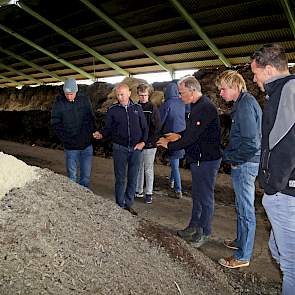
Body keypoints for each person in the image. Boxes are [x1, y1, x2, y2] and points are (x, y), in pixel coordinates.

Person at [251, 43, 295, 295]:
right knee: (278, 250)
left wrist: (271, 184)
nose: (255, 79)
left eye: (255, 73)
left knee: (291, 266)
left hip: (287, 193)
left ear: (268, 69)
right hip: (286, 190)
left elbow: (283, 144)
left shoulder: (286, 93)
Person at [157, 76, 222, 248]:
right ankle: (194, 226)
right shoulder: (194, 106)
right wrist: (178, 135)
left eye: (181, 92)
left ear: (192, 91)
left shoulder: (205, 108)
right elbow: (191, 131)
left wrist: (170, 144)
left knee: (205, 197)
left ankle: (205, 232)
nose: (179, 96)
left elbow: (192, 137)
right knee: (197, 195)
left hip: (207, 160)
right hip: (197, 158)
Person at [215, 70, 262, 269]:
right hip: (245, 161)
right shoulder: (242, 103)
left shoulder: (245, 105)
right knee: (241, 206)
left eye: (223, 89)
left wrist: (234, 159)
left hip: (246, 163)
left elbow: (252, 143)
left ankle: (243, 256)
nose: (221, 93)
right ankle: (241, 242)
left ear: (235, 86)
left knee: (246, 209)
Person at [94, 83, 148, 215]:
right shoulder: (113, 110)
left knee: (133, 177)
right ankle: (119, 205)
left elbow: (145, 128)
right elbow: (108, 127)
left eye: (122, 94)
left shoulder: (137, 108)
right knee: (120, 178)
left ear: (129, 93)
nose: (120, 97)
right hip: (120, 148)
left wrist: (143, 143)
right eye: (118, 95)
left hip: (136, 149)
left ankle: (128, 204)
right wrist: (101, 133)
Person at [51, 78, 98, 188]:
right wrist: (66, 139)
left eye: (71, 94)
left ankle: (84, 199)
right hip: (71, 147)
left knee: (85, 176)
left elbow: (90, 118)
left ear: (76, 91)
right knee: (72, 176)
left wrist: (91, 134)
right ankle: (73, 200)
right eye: (66, 94)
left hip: (86, 145)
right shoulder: (59, 103)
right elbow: (55, 123)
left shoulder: (84, 99)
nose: (69, 96)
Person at [135, 83, 161, 204]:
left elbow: (156, 127)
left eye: (145, 95)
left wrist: (148, 141)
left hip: (150, 144)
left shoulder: (152, 108)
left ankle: (149, 193)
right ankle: (139, 190)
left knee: (148, 168)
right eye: (141, 95)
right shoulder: (136, 107)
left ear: (148, 94)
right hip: (139, 143)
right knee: (139, 167)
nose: (143, 98)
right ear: (138, 95)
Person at [160, 81, 186, 198]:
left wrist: (157, 132)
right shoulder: (182, 102)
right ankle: (172, 181)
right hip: (182, 135)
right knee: (175, 160)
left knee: (174, 163)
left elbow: (161, 120)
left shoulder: (167, 104)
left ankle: (178, 189)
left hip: (170, 135)